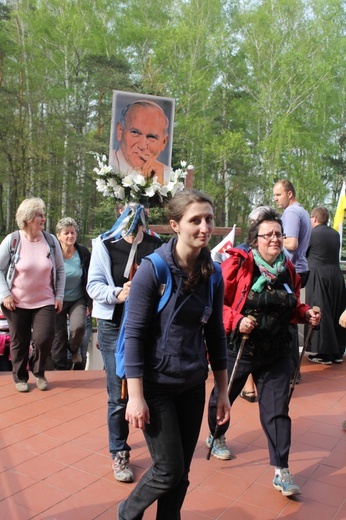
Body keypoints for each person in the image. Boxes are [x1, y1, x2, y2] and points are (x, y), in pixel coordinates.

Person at [117, 189, 230, 520]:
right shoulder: (154, 271)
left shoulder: (213, 274)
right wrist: (135, 397)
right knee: (168, 468)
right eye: (195, 220)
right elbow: (135, 334)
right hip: (155, 384)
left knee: (181, 473)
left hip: (192, 382)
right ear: (175, 225)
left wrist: (222, 390)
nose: (204, 227)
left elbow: (216, 333)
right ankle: (128, 511)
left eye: (208, 219)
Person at [206, 207, 320, 497]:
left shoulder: (288, 269)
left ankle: (282, 470)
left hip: (277, 350)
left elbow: (292, 306)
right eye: (267, 234)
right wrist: (237, 319)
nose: (274, 239)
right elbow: (214, 305)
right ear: (254, 239)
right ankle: (216, 435)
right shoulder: (237, 265)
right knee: (224, 397)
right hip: (241, 347)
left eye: (278, 234)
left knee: (278, 411)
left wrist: (307, 313)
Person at [87, 204, 162, 483]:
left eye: (140, 208)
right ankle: (119, 450)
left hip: (146, 325)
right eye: (127, 208)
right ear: (117, 209)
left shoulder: (157, 243)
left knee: (151, 387)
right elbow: (93, 285)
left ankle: (160, 450)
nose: (134, 215)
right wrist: (119, 293)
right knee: (118, 393)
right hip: (113, 324)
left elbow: (167, 280)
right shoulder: (105, 244)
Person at [0, 198, 65, 392]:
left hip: (45, 300)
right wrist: (5, 294)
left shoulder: (51, 241)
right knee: (19, 341)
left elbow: (60, 270)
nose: (43, 218)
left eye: (43, 215)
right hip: (16, 302)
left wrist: (59, 296)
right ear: (28, 218)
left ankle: (39, 371)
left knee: (44, 337)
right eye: (39, 215)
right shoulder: (13, 240)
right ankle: (20, 377)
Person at [273, 179, 311, 382]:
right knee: (290, 319)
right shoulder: (303, 211)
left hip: (291, 271)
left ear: (289, 194)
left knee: (287, 320)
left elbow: (292, 243)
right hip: (300, 269)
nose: (275, 199)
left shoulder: (291, 212)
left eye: (278, 195)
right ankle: (291, 371)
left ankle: (289, 372)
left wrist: (271, 238)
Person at [305, 207, 345, 364]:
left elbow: (303, 252)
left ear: (314, 219)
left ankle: (324, 353)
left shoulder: (312, 234)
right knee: (337, 311)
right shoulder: (335, 234)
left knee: (321, 311)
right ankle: (338, 352)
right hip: (336, 275)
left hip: (319, 275)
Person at [50, 218, 91, 370]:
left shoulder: (83, 252)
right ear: (58, 235)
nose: (70, 236)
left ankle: (73, 349)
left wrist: (90, 302)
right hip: (56, 300)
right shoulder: (52, 254)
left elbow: (91, 276)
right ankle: (60, 369)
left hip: (77, 299)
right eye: (66, 233)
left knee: (79, 327)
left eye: (72, 233)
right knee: (58, 337)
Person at [111, 100, 171, 184]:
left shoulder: (170, 177)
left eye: (152, 137)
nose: (142, 146)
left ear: (164, 142)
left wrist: (160, 185)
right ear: (120, 131)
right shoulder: (106, 163)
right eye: (135, 133)